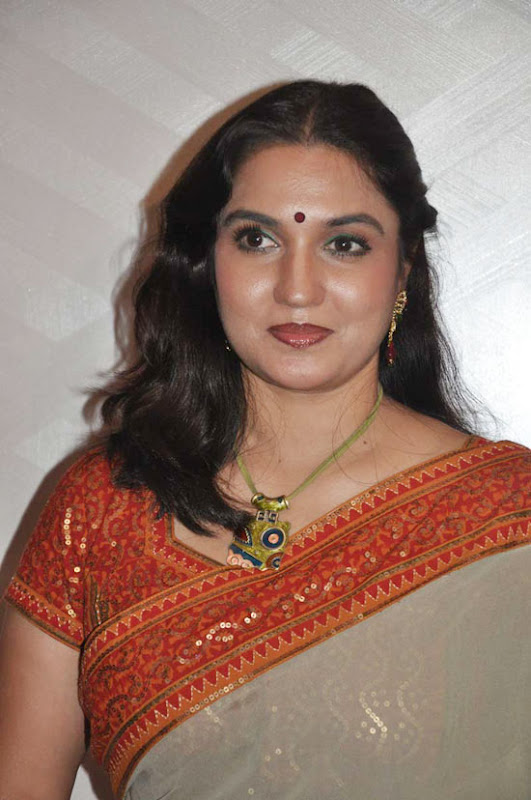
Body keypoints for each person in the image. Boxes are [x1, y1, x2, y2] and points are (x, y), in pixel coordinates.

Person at [0, 80, 529, 800]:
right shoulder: (99, 511)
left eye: (344, 244)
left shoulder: (508, 515)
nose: (296, 288)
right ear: (206, 262)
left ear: (403, 266)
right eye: (257, 239)